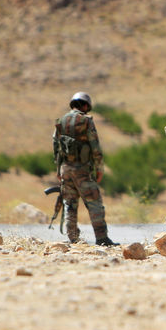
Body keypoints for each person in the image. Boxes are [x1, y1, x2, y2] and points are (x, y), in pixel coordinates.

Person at [53, 91, 118, 246]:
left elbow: (56, 147)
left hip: (65, 169)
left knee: (70, 204)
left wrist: (58, 171)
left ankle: (73, 239)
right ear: (84, 105)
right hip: (82, 170)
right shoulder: (86, 121)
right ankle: (102, 239)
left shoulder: (60, 121)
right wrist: (99, 169)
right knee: (94, 203)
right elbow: (95, 147)